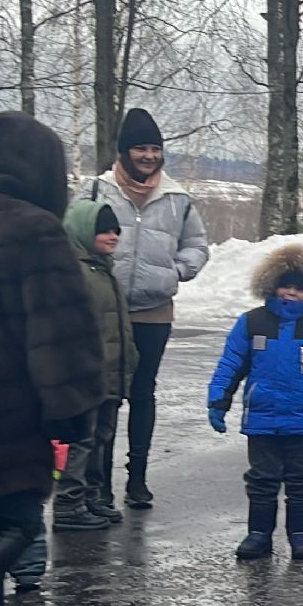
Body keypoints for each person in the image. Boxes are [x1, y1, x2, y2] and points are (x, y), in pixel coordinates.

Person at [0, 112, 104, 606]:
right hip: (7, 413)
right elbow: (60, 335)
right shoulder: (34, 229)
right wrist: (74, 413)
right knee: (15, 521)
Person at [83, 107, 210, 511]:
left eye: (155, 148)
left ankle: (137, 480)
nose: (149, 155)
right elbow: (71, 234)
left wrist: (176, 271)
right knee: (105, 397)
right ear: (124, 152)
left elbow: (197, 246)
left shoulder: (177, 199)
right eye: (141, 148)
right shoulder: (95, 191)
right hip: (105, 310)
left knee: (143, 393)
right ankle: (98, 485)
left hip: (154, 311)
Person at [206, 244, 303, 562]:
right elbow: (231, 363)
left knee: (302, 480)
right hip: (262, 418)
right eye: (286, 286)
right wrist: (219, 400)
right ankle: (258, 534)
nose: (291, 293)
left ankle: (300, 535)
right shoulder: (253, 322)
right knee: (261, 480)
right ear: (272, 286)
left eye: (299, 289)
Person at [43, 201, 139, 537]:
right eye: (104, 230)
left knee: (101, 438)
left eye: (116, 230)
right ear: (84, 232)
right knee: (81, 440)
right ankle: (68, 503)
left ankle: (91, 496)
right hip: (84, 375)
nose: (112, 236)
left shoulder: (103, 270)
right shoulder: (76, 274)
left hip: (109, 374)